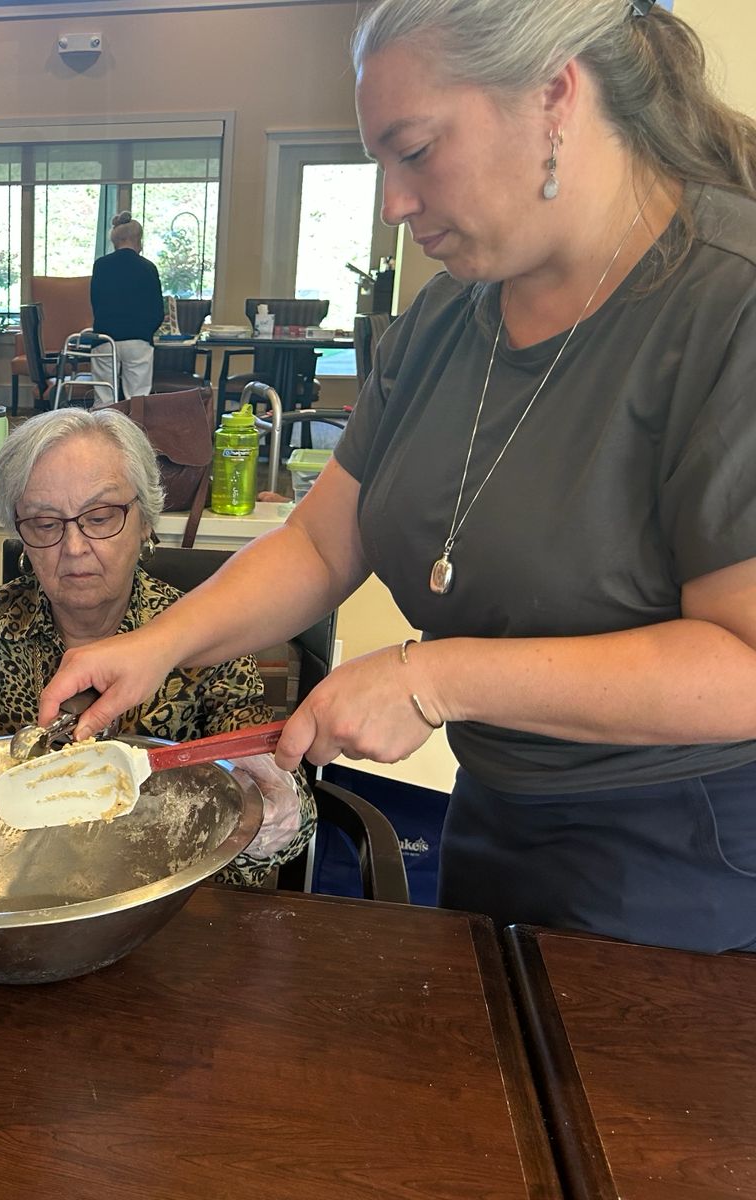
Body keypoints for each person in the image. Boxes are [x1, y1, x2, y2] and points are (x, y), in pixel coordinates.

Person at [37, 0, 756, 952]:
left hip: (689, 864)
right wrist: (160, 644)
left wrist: (431, 677)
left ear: (555, 96)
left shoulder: (727, 305)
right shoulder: (451, 319)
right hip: (495, 818)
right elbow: (324, 540)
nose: (394, 205)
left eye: (413, 151)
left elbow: (743, 663)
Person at [0, 407, 314, 885]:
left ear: (145, 521)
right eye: (45, 524)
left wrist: (279, 813)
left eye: (101, 516)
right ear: (20, 534)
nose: (73, 547)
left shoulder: (201, 637)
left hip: (165, 897)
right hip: (12, 883)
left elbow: (279, 801)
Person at [88, 212, 165, 404]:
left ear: (115, 241)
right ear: (138, 239)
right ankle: (134, 431)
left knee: (104, 398)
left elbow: (95, 302)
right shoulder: (148, 268)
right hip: (138, 339)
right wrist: (146, 330)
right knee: (138, 398)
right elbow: (157, 310)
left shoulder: (101, 266)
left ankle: (101, 431)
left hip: (105, 339)